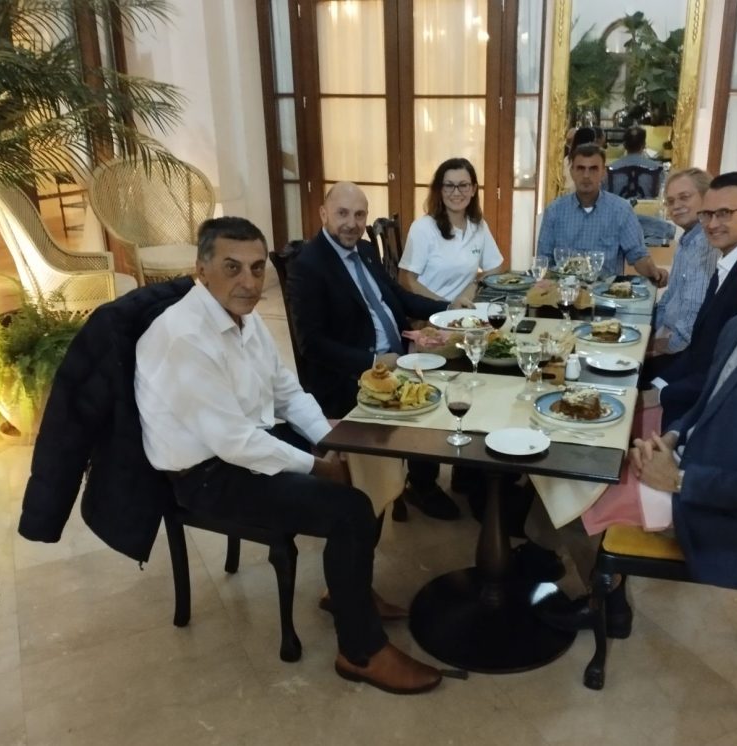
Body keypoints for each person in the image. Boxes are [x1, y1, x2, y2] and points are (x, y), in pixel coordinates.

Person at [134, 216, 441, 694]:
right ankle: (360, 652)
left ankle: (348, 591)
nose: (248, 281)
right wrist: (318, 466)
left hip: (250, 441)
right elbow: (233, 442)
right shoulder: (183, 338)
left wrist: (330, 442)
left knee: (365, 456)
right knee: (349, 509)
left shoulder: (247, 320)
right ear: (202, 269)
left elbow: (288, 393)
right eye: (232, 267)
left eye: (257, 268)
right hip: (206, 474)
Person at [539, 203, 737, 632]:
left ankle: (607, 604)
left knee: (569, 477)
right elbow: (705, 405)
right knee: (579, 454)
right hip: (691, 459)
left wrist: (677, 479)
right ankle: (551, 552)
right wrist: (672, 437)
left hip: (715, 513)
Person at [286, 182, 470, 520]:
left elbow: (397, 297)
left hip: (400, 356)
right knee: (431, 396)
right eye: (342, 214)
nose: (352, 223)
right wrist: (373, 362)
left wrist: (448, 308)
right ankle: (418, 485)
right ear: (324, 213)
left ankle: (435, 478)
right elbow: (310, 343)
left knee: (462, 376)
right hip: (351, 375)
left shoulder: (366, 249)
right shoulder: (309, 264)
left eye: (360, 215)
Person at [644, 171, 737, 428]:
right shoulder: (726, 263)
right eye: (708, 215)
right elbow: (701, 345)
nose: (712, 224)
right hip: (694, 370)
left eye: (724, 213)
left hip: (713, 402)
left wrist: (661, 392)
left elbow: (727, 367)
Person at [538, 143, 668, 285]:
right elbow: (544, 260)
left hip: (605, 293)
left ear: (603, 173)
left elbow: (637, 255)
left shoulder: (621, 210)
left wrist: (654, 272)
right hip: (564, 292)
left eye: (593, 169)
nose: (586, 175)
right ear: (572, 172)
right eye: (580, 168)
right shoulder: (555, 211)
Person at [399, 157, 504, 305]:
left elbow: (495, 267)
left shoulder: (478, 226)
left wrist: (475, 284)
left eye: (463, 185)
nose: (456, 193)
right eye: (449, 185)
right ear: (440, 190)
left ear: (473, 190)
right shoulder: (423, 228)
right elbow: (406, 280)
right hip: (429, 312)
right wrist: (446, 307)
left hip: (463, 311)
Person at [651, 168, 721, 354]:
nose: (676, 206)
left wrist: (652, 349)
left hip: (684, 350)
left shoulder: (706, 244)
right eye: (671, 201)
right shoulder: (687, 240)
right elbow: (670, 296)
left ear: (707, 197)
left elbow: (692, 318)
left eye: (684, 197)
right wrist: (649, 330)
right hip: (667, 333)